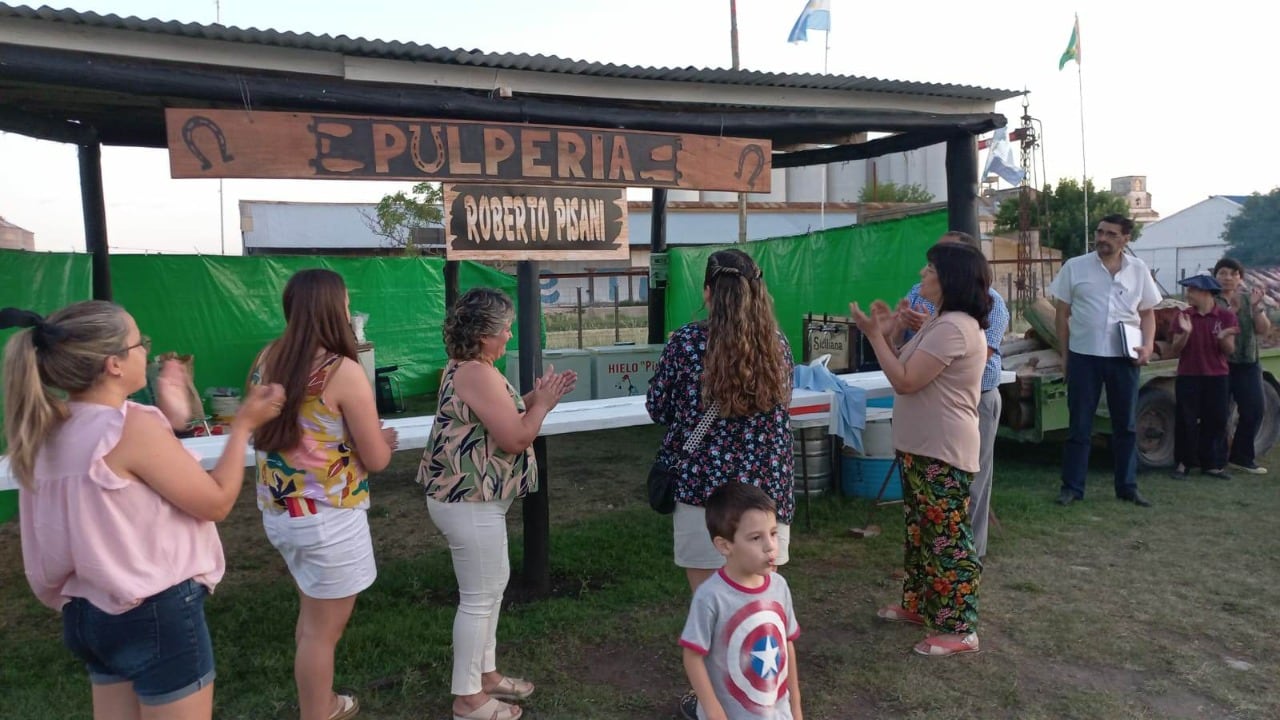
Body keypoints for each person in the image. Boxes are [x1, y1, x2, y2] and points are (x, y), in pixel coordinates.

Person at [2, 301, 283, 720]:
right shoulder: (129, 425)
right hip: (152, 612)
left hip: (88, 613)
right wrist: (243, 424)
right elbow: (218, 501)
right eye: (140, 344)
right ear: (114, 364)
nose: (147, 354)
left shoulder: (46, 430)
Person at [646, 249, 794, 719]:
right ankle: (761, 697)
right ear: (758, 292)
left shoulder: (687, 344)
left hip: (703, 498)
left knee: (711, 608)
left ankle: (715, 705)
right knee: (760, 609)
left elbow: (658, 408)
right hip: (764, 501)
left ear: (707, 292)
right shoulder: (778, 344)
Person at [417, 287, 576, 720]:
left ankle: (484, 676)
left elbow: (496, 418)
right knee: (479, 597)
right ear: (483, 334)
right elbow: (515, 437)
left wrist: (532, 401)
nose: (509, 336)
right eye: (504, 330)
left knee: (490, 590)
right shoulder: (477, 373)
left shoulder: (471, 369)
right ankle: (468, 699)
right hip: (467, 503)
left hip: (473, 501)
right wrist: (540, 406)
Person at [250, 269, 398, 720]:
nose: (351, 311)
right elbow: (375, 458)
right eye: (347, 303)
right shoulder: (342, 370)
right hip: (328, 518)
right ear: (333, 309)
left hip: (281, 512)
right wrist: (382, 443)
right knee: (322, 632)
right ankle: (319, 711)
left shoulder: (265, 358)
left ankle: (321, 700)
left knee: (312, 620)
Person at [850, 241, 990, 657]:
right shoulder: (939, 321)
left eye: (930, 270)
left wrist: (875, 336)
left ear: (950, 279)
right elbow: (903, 368)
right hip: (922, 447)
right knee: (920, 534)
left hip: (942, 450)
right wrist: (890, 333)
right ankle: (919, 605)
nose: (922, 275)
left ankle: (959, 627)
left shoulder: (953, 327)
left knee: (946, 538)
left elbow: (906, 381)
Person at [888, 231, 1009, 560]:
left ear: (957, 270)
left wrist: (931, 331)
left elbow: (973, 356)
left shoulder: (989, 306)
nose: (924, 271)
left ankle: (969, 554)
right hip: (929, 411)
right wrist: (899, 325)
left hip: (973, 401)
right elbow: (903, 347)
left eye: (933, 264)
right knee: (925, 512)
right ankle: (930, 575)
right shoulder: (921, 295)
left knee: (970, 487)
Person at [1048, 214, 1162, 507]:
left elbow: (1148, 312)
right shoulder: (1076, 267)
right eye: (1100, 232)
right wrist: (1065, 354)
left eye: (1111, 234)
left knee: (1125, 425)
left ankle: (1127, 487)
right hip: (1084, 356)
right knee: (1079, 425)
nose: (1102, 238)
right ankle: (1072, 487)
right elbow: (1062, 313)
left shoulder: (1138, 270)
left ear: (1126, 239)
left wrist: (1148, 345)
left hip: (1123, 358)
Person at [680, 483, 803, 720]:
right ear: (725, 546)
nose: (770, 546)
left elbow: (787, 644)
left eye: (773, 533)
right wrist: (714, 711)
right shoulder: (711, 596)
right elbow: (692, 656)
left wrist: (795, 705)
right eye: (756, 538)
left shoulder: (779, 586)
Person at [1169, 274, 1238, 479]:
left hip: (1217, 375)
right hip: (1188, 374)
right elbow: (1174, 350)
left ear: (1207, 293)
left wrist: (1223, 336)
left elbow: (1229, 351)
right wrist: (1186, 334)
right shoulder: (1183, 316)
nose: (1188, 294)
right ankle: (1183, 463)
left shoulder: (1226, 317)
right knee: (1185, 420)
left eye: (1192, 290)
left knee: (1216, 420)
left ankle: (1212, 464)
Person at [1214, 257, 1272, 474]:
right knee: (1219, 413)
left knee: (1255, 409)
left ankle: (1242, 456)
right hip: (1220, 363)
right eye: (1222, 273)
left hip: (1248, 362)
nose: (1228, 278)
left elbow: (1263, 330)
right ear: (1216, 276)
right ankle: (1216, 459)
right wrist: (1233, 309)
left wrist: (1257, 308)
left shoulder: (1249, 299)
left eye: (1233, 273)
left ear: (1240, 277)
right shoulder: (1211, 300)